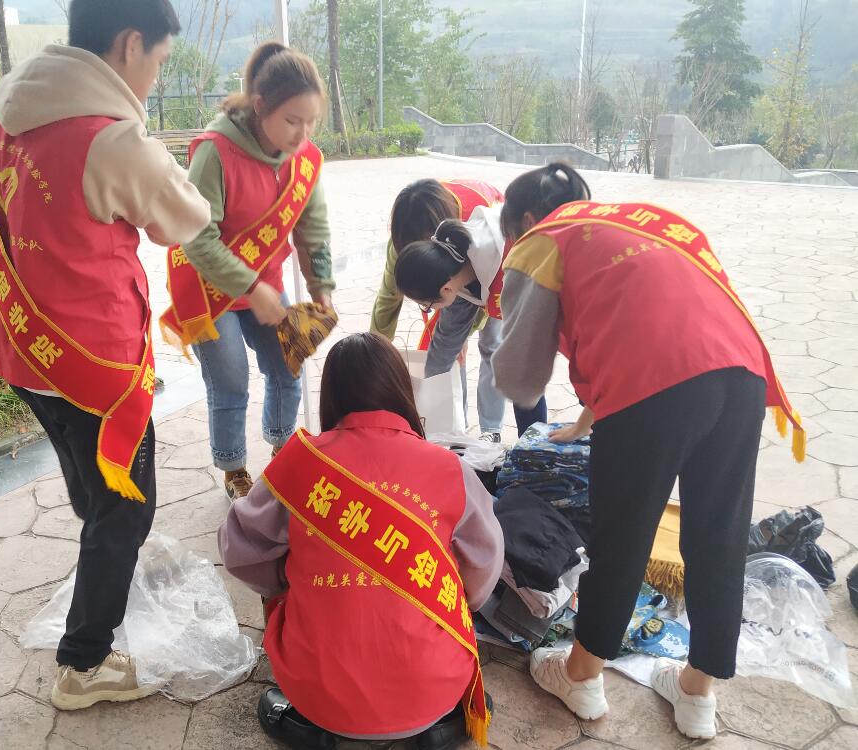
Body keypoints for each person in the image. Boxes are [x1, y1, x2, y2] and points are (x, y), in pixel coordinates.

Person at [0, 0, 211, 710]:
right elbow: (185, 218)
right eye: (159, 61)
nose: (154, 77)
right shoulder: (113, 139)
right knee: (126, 509)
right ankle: (84, 664)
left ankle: (102, 566)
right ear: (130, 43)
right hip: (98, 370)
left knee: (91, 484)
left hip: (22, 352)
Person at [491, 162, 805, 739]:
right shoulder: (642, 220)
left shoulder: (543, 240)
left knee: (622, 534)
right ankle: (697, 692)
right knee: (719, 534)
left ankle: (581, 677)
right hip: (741, 374)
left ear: (527, 220)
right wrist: (586, 419)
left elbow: (520, 380)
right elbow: (650, 319)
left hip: (654, 388)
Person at [219, 332, 504, 749]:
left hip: (319, 696)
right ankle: (434, 724)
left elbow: (238, 549)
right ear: (402, 390)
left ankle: (319, 723)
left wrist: (286, 575)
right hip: (435, 688)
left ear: (331, 395)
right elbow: (483, 568)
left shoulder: (300, 463)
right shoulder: (450, 469)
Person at [162, 41, 334, 500]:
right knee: (231, 379)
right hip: (209, 288)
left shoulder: (304, 160)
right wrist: (251, 288)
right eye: (292, 121)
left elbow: (313, 229)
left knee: (288, 364)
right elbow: (198, 238)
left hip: (265, 285)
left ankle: (282, 449)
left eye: (311, 121)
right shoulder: (215, 152)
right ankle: (234, 468)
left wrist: (322, 286)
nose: (302, 134)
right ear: (260, 107)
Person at [370, 178, 546, 439]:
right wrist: (373, 355)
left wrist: (470, 330)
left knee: (506, 356)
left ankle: (496, 432)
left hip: (516, 275)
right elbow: (389, 297)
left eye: (427, 306)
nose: (428, 311)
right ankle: (454, 435)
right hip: (468, 278)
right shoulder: (413, 243)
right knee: (443, 354)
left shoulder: (508, 262)